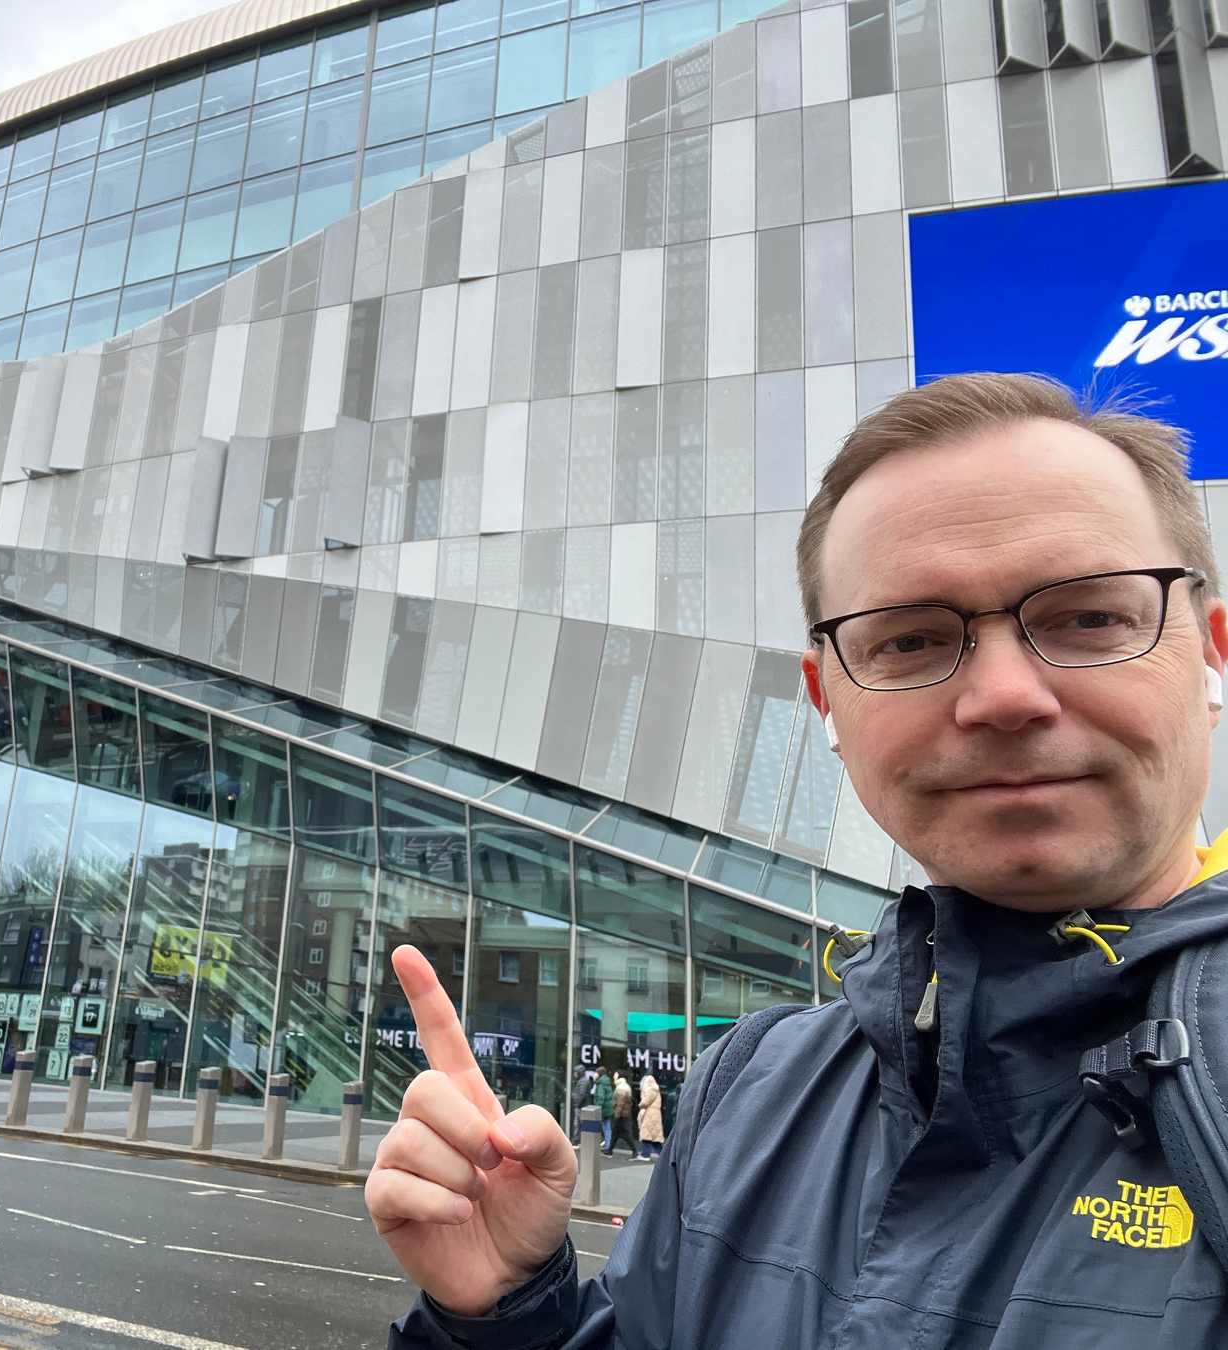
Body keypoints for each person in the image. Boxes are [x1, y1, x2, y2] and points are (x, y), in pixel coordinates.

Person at [366, 374, 1228, 1345]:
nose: (1002, 695)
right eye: (911, 638)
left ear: (1210, 653)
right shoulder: (754, 1085)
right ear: (829, 702)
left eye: (1087, 618)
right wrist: (505, 1314)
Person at [634, 1075, 662, 1160]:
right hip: (654, 1114)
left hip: (650, 1114)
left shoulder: (650, 1089)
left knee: (647, 1134)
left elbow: (646, 1101)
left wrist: (640, 1104)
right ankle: (662, 1154)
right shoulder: (654, 1089)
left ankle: (645, 1154)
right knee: (653, 1136)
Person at [607, 1073, 634, 1158]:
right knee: (616, 1133)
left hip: (621, 1115)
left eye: (615, 1075)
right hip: (623, 1114)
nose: (614, 1077)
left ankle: (634, 1150)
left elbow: (620, 1104)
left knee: (624, 1133)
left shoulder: (621, 1088)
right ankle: (610, 1149)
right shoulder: (623, 1086)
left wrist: (616, 1115)